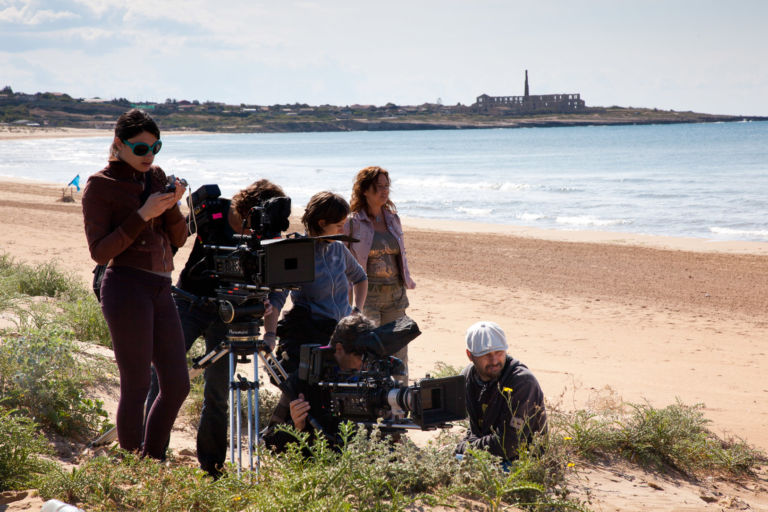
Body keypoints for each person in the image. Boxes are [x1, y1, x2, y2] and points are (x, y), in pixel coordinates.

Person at [144, 179, 284, 477]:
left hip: (231, 314)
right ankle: (150, 455)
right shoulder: (213, 210)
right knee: (162, 378)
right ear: (247, 206)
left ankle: (212, 466)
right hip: (188, 302)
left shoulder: (267, 227)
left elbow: (273, 275)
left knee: (217, 392)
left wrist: (267, 301)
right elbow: (176, 236)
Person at [81, 109, 189, 459]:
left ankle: (152, 458)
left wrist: (172, 204)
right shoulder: (100, 185)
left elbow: (180, 238)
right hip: (126, 287)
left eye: (155, 147)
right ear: (118, 144)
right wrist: (143, 214)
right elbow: (100, 252)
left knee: (177, 386)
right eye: (141, 149)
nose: (150, 156)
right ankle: (131, 464)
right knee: (137, 384)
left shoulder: (155, 177)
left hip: (161, 287)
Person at [265, 191, 367, 374]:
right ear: (321, 223)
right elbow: (276, 298)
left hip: (342, 336)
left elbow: (360, 278)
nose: (342, 231)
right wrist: (270, 336)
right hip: (311, 336)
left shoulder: (338, 248)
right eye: (338, 225)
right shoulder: (296, 252)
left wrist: (357, 311)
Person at [262, 313, 373, 452]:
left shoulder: (373, 377)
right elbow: (271, 442)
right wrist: (297, 425)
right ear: (339, 349)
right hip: (319, 465)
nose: (364, 364)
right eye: (359, 357)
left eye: (368, 357)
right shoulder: (305, 380)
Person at [345, 166, 415, 382]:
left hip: (396, 295)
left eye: (387, 186)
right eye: (378, 187)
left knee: (399, 355)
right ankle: (370, 407)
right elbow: (344, 262)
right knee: (370, 356)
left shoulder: (393, 218)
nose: (384, 191)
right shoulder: (353, 222)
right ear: (365, 190)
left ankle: (400, 408)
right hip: (368, 297)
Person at [455, 321, 547, 463]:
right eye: (486, 355)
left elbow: (509, 445)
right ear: (470, 355)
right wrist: (467, 446)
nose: (494, 360)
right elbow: (475, 429)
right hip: (486, 456)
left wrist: (468, 448)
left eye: (499, 352)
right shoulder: (467, 378)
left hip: (522, 463)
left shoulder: (522, 382)